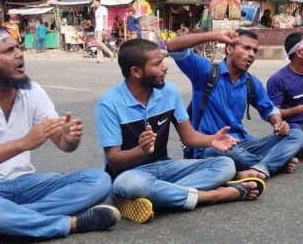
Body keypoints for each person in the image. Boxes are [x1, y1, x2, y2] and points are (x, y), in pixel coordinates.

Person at [0, 26, 119, 240]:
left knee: (98, 180)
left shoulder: (30, 90)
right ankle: (67, 224)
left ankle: (6, 222)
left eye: (17, 46)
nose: (19, 53)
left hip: (28, 184)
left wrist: (70, 138)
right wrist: (21, 144)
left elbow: (63, 144)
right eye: (7, 51)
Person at [95, 39, 264, 225]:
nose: (165, 67)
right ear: (136, 72)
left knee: (225, 165)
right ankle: (213, 195)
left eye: (163, 61)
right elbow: (113, 160)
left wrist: (211, 140)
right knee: (132, 185)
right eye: (157, 64)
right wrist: (140, 151)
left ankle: (156, 197)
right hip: (128, 173)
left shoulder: (169, 91)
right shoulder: (109, 103)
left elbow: (188, 136)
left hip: (164, 168)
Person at [166, 29, 303, 180]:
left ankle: (262, 167)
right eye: (246, 48)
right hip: (211, 146)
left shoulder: (250, 82)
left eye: (254, 50)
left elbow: (270, 109)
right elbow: (173, 46)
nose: (251, 54)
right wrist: (214, 35)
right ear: (229, 48)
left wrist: (279, 124)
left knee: (296, 134)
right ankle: (273, 162)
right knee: (230, 154)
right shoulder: (206, 71)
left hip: (243, 143)